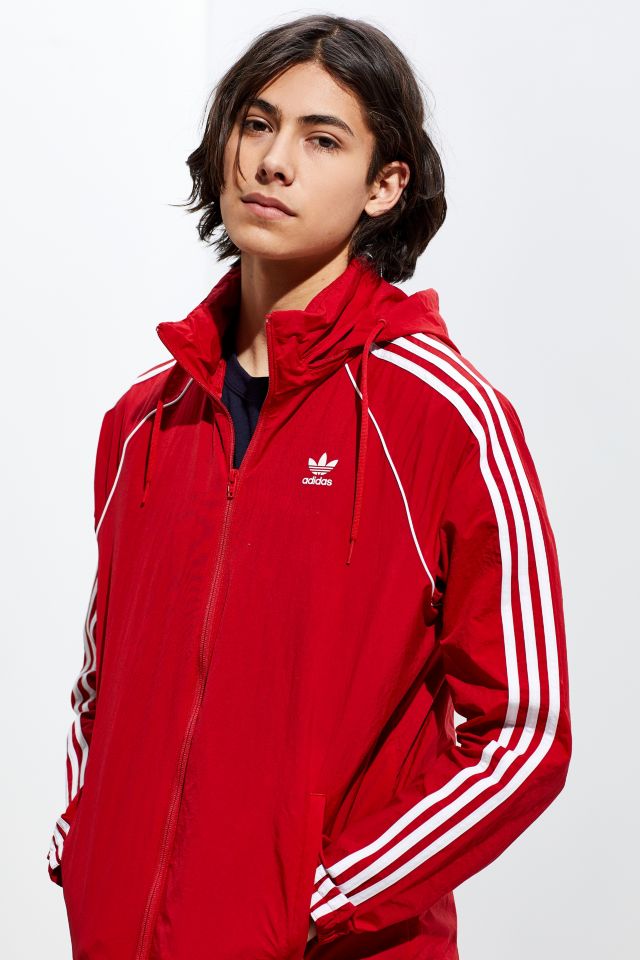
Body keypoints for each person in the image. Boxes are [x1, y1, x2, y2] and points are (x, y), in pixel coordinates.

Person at [46, 14, 572, 960]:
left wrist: (324, 896)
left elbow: (524, 733)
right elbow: (99, 682)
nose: (273, 162)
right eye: (256, 124)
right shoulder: (143, 423)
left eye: (322, 139)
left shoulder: (446, 416)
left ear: (385, 185)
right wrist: (84, 848)